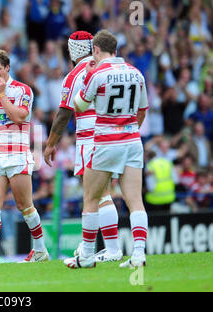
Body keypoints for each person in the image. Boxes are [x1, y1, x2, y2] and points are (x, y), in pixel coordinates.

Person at [64, 30, 149, 269]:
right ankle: (139, 255)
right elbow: (142, 109)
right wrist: (130, 128)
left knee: (91, 198)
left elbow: (78, 105)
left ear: (97, 50)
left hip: (105, 142)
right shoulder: (136, 72)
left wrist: (88, 78)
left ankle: (87, 256)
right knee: (135, 201)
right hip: (132, 141)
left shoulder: (97, 72)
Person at [43, 31, 122, 262]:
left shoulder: (75, 75)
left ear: (72, 50)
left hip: (90, 138)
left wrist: (49, 145)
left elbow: (63, 114)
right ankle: (105, 248)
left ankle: (104, 250)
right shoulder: (110, 68)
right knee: (102, 192)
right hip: (113, 134)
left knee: (96, 194)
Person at [0, 48, 49, 264]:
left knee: (24, 205)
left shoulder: (23, 91)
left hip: (18, 154)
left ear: (7, 67)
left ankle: (40, 249)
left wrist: (2, 94)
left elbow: (19, 118)